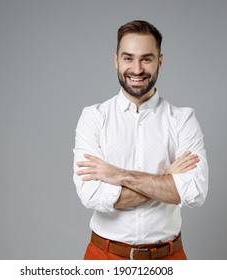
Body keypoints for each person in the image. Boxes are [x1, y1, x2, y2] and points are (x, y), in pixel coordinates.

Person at [73, 20, 209, 260]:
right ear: (116, 60)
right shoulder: (93, 117)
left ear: (160, 61)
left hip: (169, 259)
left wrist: (119, 176)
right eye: (128, 58)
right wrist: (167, 181)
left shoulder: (183, 119)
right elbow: (91, 195)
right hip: (104, 257)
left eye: (146, 59)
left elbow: (195, 192)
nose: (137, 69)